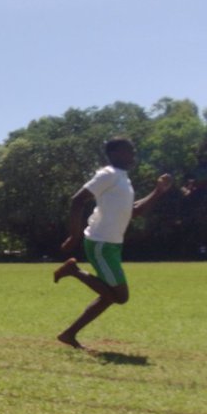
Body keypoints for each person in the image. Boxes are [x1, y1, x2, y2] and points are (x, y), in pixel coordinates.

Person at [53, 137, 173, 349]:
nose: (133, 155)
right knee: (120, 296)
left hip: (112, 244)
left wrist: (158, 192)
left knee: (110, 296)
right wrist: (74, 235)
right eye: (129, 151)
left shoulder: (123, 179)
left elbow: (134, 212)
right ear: (115, 154)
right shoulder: (107, 175)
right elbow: (77, 200)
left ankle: (69, 334)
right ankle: (73, 271)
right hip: (101, 243)